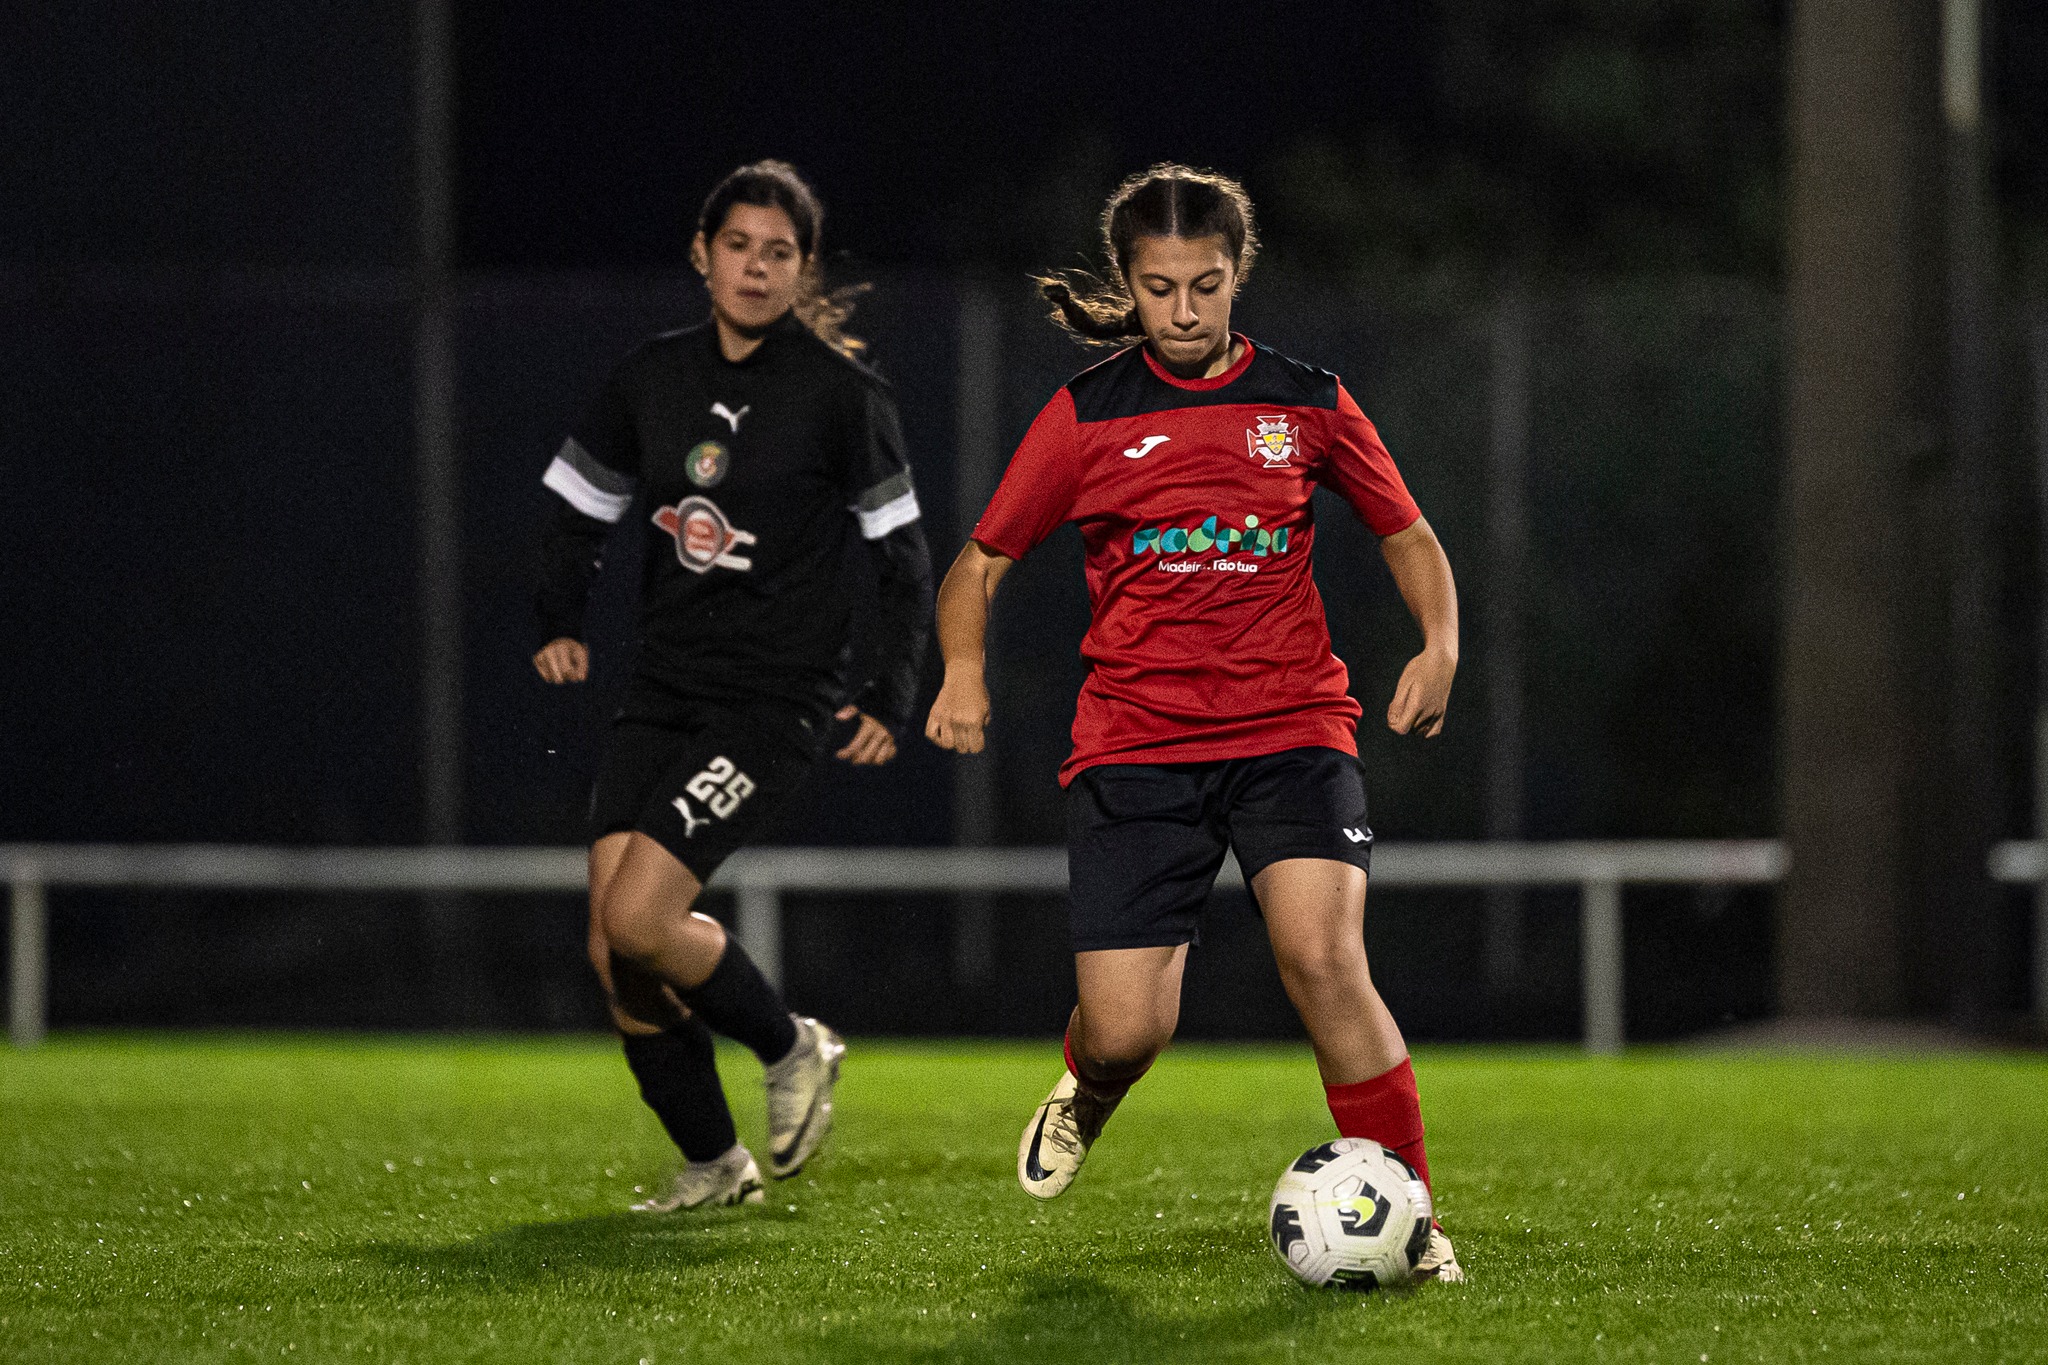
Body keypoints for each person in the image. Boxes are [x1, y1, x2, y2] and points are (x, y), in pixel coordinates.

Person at [925, 165, 1464, 1281]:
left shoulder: (1306, 401)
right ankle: (1091, 1082)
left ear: (1237, 276)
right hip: (1135, 747)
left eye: (1205, 286)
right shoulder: (1083, 416)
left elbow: (1405, 533)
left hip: (1290, 728)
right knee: (1129, 1031)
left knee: (1322, 958)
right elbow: (978, 563)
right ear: (1127, 284)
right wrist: (961, 673)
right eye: (1159, 288)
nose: (1183, 310)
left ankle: (1412, 1224)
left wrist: (1438, 643)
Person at [533, 160, 933, 1211]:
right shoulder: (650, 379)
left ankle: (789, 1042)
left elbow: (904, 564)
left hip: (771, 703)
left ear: (801, 270)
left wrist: (890, 694)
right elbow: (579, 507)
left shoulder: (843, 398)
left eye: (779, 253)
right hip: (662, 690)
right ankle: (717, 1167)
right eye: (739, 247)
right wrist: (557, 621)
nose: (756, 269)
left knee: (639, 918)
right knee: (613, 950)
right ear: (702, 254)